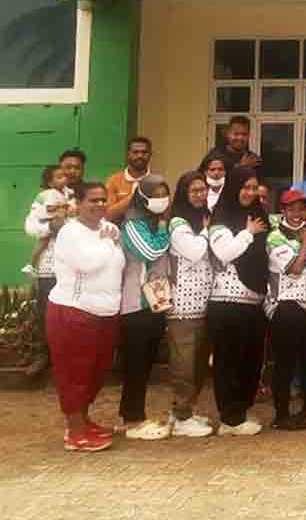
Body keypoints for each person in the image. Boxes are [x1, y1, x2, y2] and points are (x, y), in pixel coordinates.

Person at [46, 182, 125, 452]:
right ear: (78, 204)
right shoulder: (70, 232)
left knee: (96, 372)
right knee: (75, 374)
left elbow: (118, 264)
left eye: (103, 200)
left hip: (106, 312)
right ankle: (75, 432)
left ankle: (84, 420)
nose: (100, 205)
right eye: (93, 200)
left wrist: (110, 240)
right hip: (74, 311)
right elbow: (87, 263)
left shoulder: (109, 229)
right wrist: (108, 242)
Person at [207, 166, 270, 436]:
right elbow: (224, 252)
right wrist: (248, 233)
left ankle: (241, 410)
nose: (249, 192)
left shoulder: (259, 216)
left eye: (254, 188)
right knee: (228, 362)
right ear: (233, 187)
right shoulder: (221, 217)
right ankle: (229, 419)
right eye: (245, 187)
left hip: (254, 301)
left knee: (250, 362)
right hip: (227, 301)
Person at [117, 174, 174, 441]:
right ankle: (131, 419)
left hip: (155, 303)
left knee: (146, 362)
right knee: (136, 364)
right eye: (155, 194)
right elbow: (149, 252)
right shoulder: (132, 223)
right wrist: (163, 227)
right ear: (142, 197)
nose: (161, 199)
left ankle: (136, 416)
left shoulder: (155, 222)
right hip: (135, 305)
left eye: (164, 194)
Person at [265, 189, 306, 431]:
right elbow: (296, 269)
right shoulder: (275, 237)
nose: (297, 214)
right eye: (291, 209)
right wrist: (305, 243)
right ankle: (281, 415)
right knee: (284, 364)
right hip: (285, 306)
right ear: (283, 211)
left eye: (301, 209)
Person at [166, 171, 215, 437]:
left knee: (198, 363)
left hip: (204, 302)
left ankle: (186, 411)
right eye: (194, 191)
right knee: (184, 363)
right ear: (184, 194)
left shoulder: (202, 218)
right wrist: (207, 231)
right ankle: (181, 415)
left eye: (203, 190)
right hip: (183, 306)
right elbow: (195, 252)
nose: (200, 195)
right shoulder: (177, 223)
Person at [22, 165, 72, 377]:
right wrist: (50, 228)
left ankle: (66, 356)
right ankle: (44, 354)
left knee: (71, 313)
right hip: (49, 267)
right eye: (62, 173)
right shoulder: (45, 197)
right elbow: (30, 226)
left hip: (74, 265)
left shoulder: (77, 196)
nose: (67, 175)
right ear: (50, 181)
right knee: (45, 311)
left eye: (71, 171)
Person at [104, 137, 153, 223]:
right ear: (128, 154)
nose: (140, 156)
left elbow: (164, 216)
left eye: (144, 152)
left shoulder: (157, 182)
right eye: (135, 152)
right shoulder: (113, 180)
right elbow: (107, 215)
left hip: (148, 229)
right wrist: (134, 197)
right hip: (118, 229)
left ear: (150, 155)